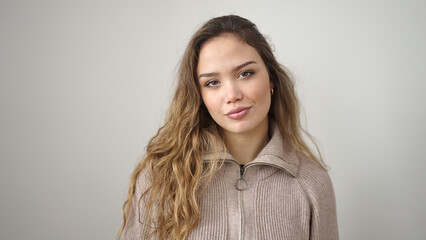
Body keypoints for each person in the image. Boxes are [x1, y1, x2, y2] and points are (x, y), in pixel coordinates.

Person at [118, 15, 338, 240]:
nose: (232, 95)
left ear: (271, 79)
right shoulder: (160, 175)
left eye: (245, 73)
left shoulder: (311, 182)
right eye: (212, 83)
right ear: (199, 95)